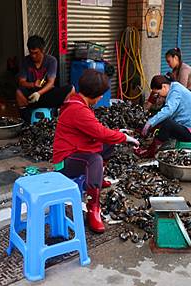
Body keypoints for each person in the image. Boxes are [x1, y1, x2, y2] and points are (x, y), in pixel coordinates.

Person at [53, 69, 140, 234]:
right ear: (94, 95)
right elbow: (100, 132)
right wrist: (124, 137)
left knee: (108, 144)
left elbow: (96, 131)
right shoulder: (78, 110)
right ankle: (93, 209)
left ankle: (96, 180)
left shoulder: (78, 102)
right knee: (94, 160)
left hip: (76, 152)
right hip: (63, 163)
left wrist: (118, 133)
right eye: (100, 95)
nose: (101, 98)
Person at [135, 75, 191, 159]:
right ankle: (152, 141)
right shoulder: (174, 87)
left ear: (164, 87)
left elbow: (169, 110)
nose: (159, 95)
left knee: (167, 123)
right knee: (160, 119)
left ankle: (151, 151)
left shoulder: (175, 92)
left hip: (190, 133)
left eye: (158, 93)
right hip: (185, 126)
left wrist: (150, 122)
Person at [16, 35, 75, 123]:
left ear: (42, 50)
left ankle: (62, 119)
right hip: (31, 96)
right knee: (19, 93)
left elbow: (51, 83)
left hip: (47, 93)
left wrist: (39, 93)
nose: (33, 56)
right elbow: (21, 82)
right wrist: (32, 85)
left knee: (71, 89)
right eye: (31, 52)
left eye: (36, 53)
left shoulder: (51, 61)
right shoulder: (26, 61)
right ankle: (26, 122)